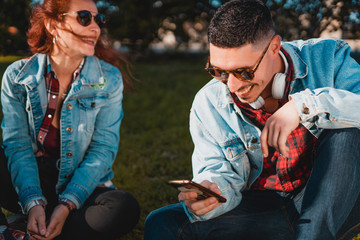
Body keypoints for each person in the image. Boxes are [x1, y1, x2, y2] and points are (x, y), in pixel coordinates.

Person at [144, 0, 360, 239]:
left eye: (244, 71)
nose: (233, 86)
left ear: (274, 47)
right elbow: (219, 171)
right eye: (219, 72)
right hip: (270, 209)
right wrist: (212, 191)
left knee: (346, 129)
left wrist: (303, 106)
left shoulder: (327, 58)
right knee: (164, 221)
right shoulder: (208, 102)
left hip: (340, 201)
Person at [0, 0, 140, 239]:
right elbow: (18, 146)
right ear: (53, 25)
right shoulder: (17, 76)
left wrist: (66, 205)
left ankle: (28, 230)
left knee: (124, 208)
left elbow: (102, 150)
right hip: (32, 178)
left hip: (81, 187)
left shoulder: (110, 79)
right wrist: (33, 201)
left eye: (98, 19)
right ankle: (24, 223)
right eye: (85, 17)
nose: (95, 27)